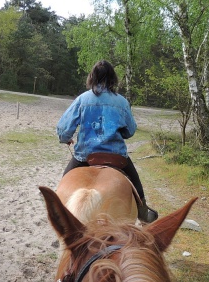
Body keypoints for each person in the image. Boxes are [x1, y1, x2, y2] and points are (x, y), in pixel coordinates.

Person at [56, 59, 158, 223]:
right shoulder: (122, 102)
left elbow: (63, 128)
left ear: (92, 77)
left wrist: (66, 139)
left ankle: (57, 209)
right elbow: (130, 131)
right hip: (116, 157)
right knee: (136, 184)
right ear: (113, 79)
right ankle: (143, 211)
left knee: (64, 181)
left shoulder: (82, 99)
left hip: (85, 156)